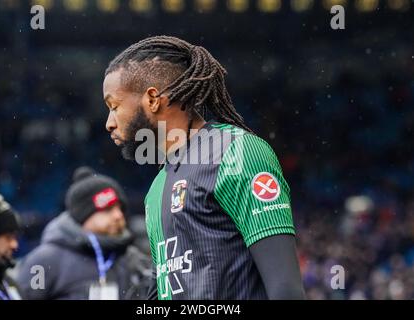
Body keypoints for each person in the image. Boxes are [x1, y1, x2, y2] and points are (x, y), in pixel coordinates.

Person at [102, 36, 306, 299]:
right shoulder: (157, 187)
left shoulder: (237, 152)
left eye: (114, 106)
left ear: (152, 99)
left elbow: (286, 290)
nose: (109, 123)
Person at [16, 167, 152, 300]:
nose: (118, 215)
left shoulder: (134, 261)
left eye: (120, 208)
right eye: (107, 209)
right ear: (83, 215)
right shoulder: (43, 262)